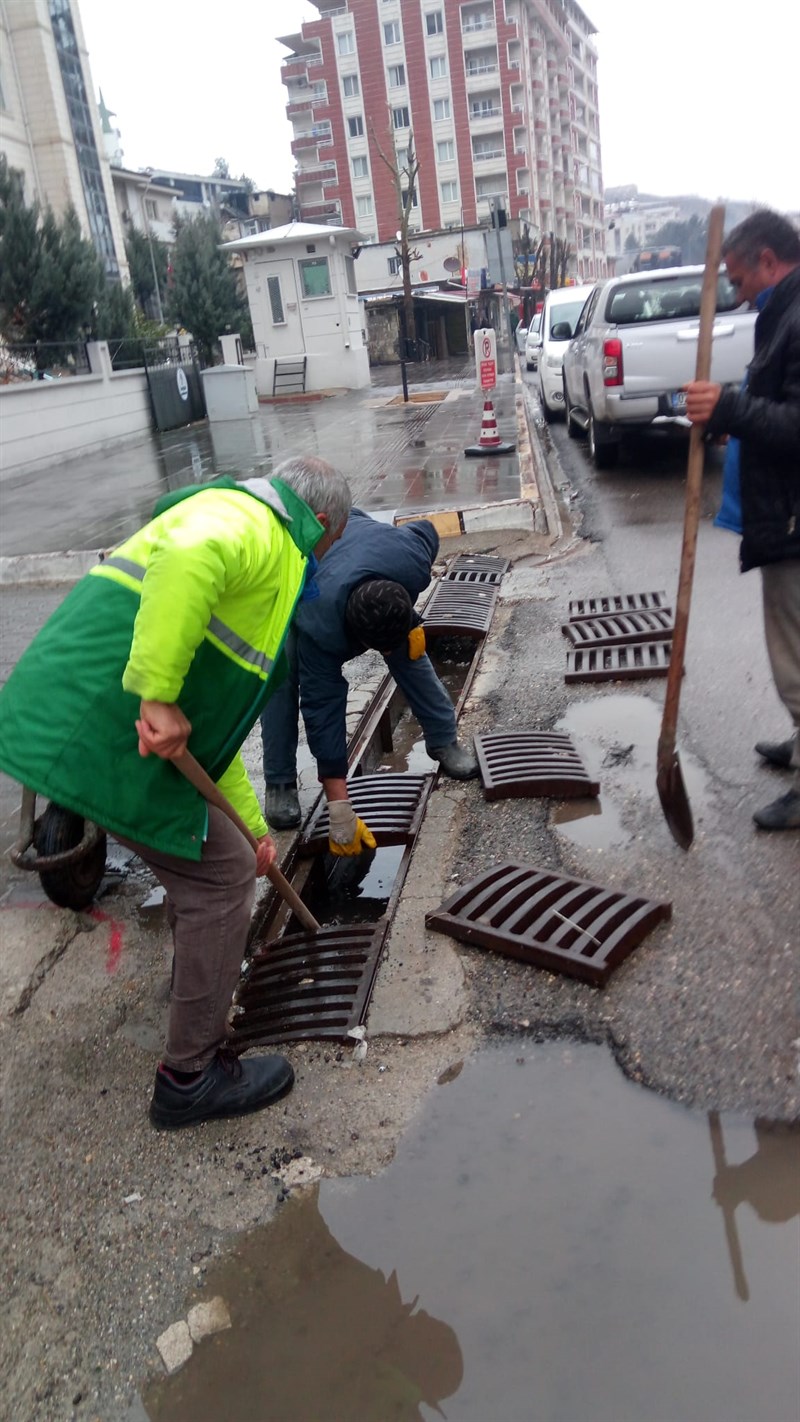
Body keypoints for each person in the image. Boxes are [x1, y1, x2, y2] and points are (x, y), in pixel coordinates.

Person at [0, 457, 352, 1128]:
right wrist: (158, 691)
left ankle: (198, 982)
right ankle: (190, 1076)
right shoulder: (255, 526)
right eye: (330, 546)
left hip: (95, 720)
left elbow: (208, 745)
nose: (324, 558)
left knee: (226, 860)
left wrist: (255, 833)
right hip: (110, 725)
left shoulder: (248, 527)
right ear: (323, 524)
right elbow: (191, 554)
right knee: (220, 882)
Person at [261, 508, 479, 846]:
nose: (385, 655)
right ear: (354, 639)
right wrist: (339, 805)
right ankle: (279, 781)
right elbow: (322, 709)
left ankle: (444, 740)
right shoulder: (321, 628)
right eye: (379, 649)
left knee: (408, 651)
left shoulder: (409, 559)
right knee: (280, 674)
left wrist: (412, 620)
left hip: (350, 531)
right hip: (286, 569)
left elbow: (427, 531)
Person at [685, 209, 800, 831]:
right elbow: (774, 401)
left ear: (767, 260)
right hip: (783, 513)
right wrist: (729, 412)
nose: (735, 291)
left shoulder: (798, 315)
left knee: (796, 654)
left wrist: (730, 404)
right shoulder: (780, 313)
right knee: (792, 645)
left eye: (738, 277)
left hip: (793, 519)